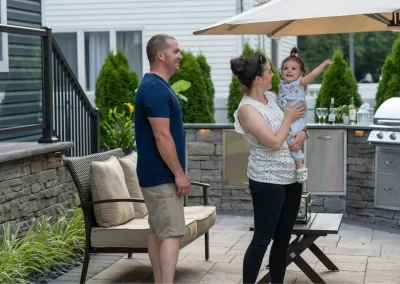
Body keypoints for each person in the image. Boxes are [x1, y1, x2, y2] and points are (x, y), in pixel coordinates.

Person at [231, 53, 308, 284]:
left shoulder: (273, 97)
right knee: (262, 239)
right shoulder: (247, 110)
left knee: (283, 239)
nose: (274, 74)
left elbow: (297, 123)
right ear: (257, 79)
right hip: (267, 181)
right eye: (270, 71)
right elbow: (274, 142)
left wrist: (304, 133)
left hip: (291, 178)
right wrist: (288, 117)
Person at [134, 34, 191, 284]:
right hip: (161, 175)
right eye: (176, 51)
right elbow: (162, 136)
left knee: (158, 232)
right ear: (160, 55)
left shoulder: (154, 85)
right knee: (172, 233)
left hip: (155, 174)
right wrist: (179, 173)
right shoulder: (155, 88)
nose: (180, 56)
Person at [277, 47, 333, 183]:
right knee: (285, 136)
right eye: (285, 68)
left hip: (297, 118)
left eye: (293, 69)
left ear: (301, 73)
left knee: (293, 138)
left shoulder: (300, 83)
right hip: (286, 118)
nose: (289, 71)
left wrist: (323, 65)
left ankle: (300, 165)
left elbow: (313, 75)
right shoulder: (281, 85)